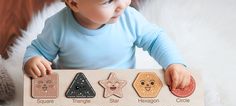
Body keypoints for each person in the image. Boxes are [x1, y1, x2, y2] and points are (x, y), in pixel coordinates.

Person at [23, 0, 191, 89]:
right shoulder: (58, 26)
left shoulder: (129, 19)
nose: (122, 4)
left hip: (122, 87)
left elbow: (155, 39)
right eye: (108, 1)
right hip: (75, 90)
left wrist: (173, 62)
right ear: (74, 3)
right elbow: (38, 50)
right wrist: (34, 60)